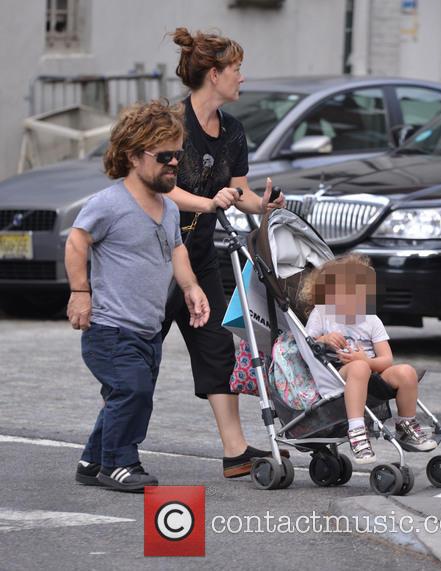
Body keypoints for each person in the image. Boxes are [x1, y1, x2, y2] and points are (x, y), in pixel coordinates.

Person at [65, 100, 210, 492]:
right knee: (133, 392)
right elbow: (77, 242)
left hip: (147, 330)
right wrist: (81, 293)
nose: (174, 164)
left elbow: (176, 249)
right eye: (164, 156)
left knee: (122, 394)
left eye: (178, 155)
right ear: (133, 156)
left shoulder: (167, 208)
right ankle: (119, 464)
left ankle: (93, 460)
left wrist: (191, 287)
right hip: (111, 330)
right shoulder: (109, 204)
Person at [163, 27, 287, 479]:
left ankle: (235, 452)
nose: (242, 78)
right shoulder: (170, 124)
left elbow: (238, 192)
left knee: (217, 348)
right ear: (214, 74)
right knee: (139, 354)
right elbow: (161, 187)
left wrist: (264, 204)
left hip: (201, 256)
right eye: (236, 69)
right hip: (154, 257)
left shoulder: (233, 131)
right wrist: (208, 202)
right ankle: (107, 449)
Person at [302, 253, 437, 464]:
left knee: (406, 372)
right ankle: (356, 430)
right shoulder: (322, 314)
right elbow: (306, 343)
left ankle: (405, 424)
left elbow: (386, 360)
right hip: (337, 374)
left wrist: (366, 360)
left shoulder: (371, 320)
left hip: (372, 371)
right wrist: (325, 338)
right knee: (358, 368)